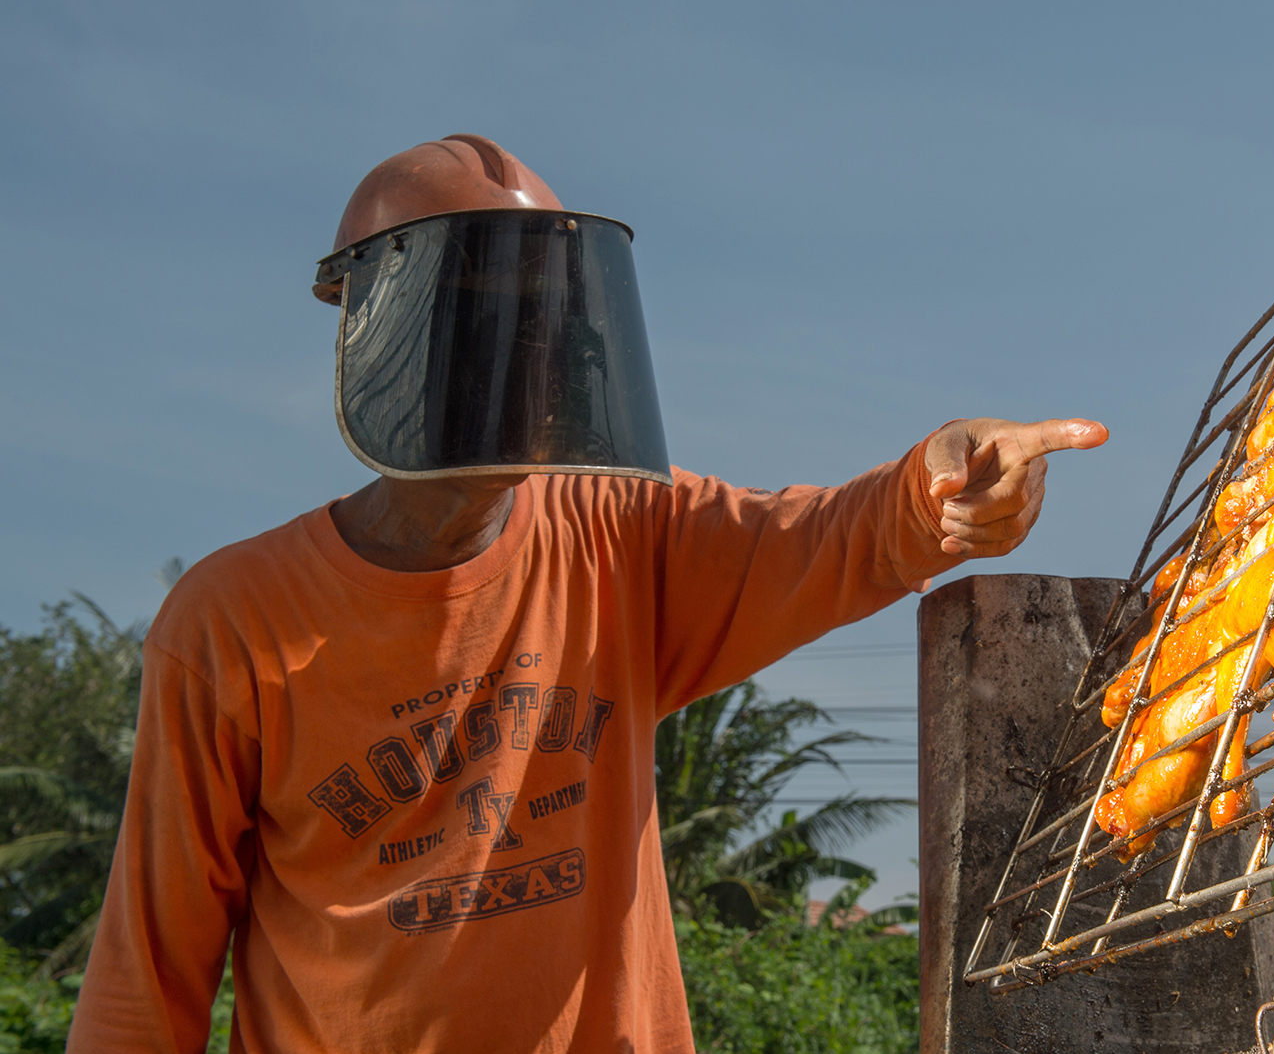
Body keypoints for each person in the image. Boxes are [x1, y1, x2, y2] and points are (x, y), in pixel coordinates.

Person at [68, 135, 1107, 1052]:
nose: (525, 362)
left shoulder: (622, 540)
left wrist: (939, 481)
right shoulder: (230, 622)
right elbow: (147, 973)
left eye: (544, 324)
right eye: (479, 323)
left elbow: (832, 536)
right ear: (377, 336)